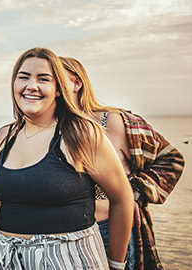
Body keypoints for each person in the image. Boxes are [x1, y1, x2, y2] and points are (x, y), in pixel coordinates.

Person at [0, 47, 134, 270]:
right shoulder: (6, 135)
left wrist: (116, 264)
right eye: (23, 77)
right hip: (7, 260)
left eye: (43, 79)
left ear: (58, 89)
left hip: (69, 261)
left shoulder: (82, 133)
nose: (31, 86)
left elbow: (122, 198)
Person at [60, 56, 185, 270]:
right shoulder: (47, 128)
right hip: (62, 236)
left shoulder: (114, 121)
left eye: (53, 77)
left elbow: (171, 159)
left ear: (77, 83)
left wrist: (135, 194)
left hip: (109, 229)